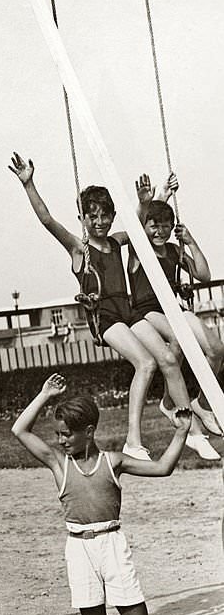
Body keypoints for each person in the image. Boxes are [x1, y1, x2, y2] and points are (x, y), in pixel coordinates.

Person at [11, 373, 204, 615]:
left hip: (112, 546)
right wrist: (43, 394)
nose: (61, 440)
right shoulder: (58, 464)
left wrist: (180, 433)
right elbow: (20, 431)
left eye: (68, 433)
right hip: (79, 550)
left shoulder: (113, 462)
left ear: (89, 431)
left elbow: (162, 469)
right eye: (58, 434)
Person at [9, 153, 196, 461]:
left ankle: (186, 422)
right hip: (106, 319)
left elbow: (140, 229)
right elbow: (47, 220)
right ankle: (133, 441)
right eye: (92, 217)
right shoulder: (79, 248)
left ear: (111, 216)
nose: (99, 222)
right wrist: (29, 184)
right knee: (146, 364)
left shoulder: (115, 242)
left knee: (168, 354)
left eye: (105, 216)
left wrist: (157, 198)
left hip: (129, 312)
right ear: (82, 219)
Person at [129, 174, 222, 457]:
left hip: (173, 308)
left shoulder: (172, 250)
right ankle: (174, 409)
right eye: (154, 225)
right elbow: (138, 227)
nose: (160, 230)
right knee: (178, 342)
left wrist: (191, 242)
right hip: (148, 311)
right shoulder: (139, 251)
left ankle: (202, 404)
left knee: (217, 350)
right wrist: (150, 200)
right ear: (145, 226)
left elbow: (204, 275)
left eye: (166, 226)